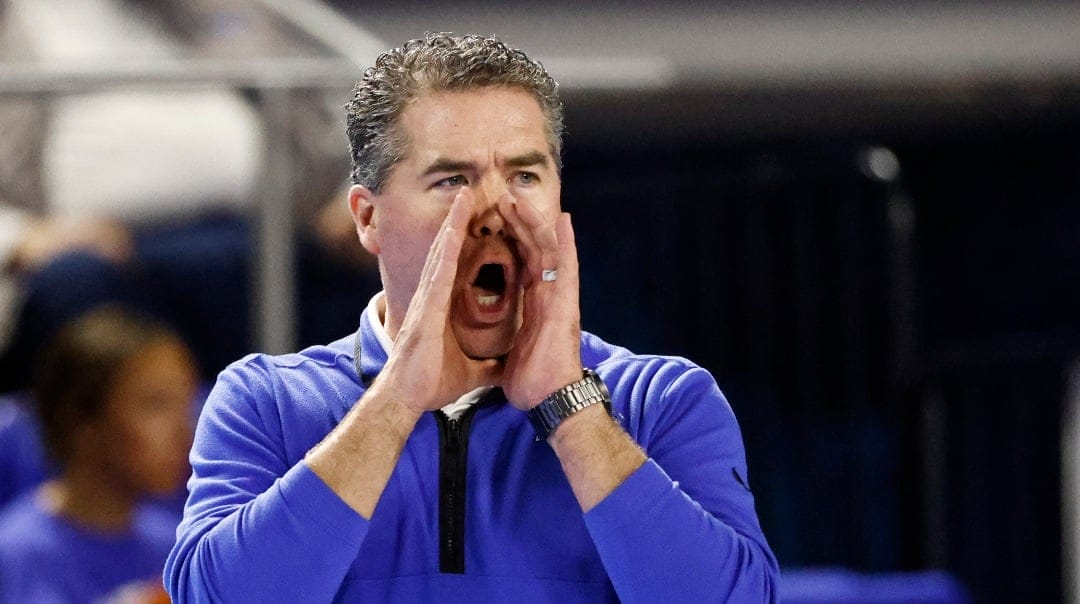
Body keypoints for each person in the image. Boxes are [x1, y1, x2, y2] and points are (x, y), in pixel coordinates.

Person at [166, 33, 777, 602]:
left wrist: (570, 408)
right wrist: (396, 401)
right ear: (367, 218)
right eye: (452, 178)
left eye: (525, 175)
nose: (493, 210)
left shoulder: (661, 400)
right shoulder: (266, 402)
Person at [0, 306, 198, 603]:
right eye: (155, 405)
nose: (184, 431)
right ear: (81, 421)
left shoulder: (177, 547)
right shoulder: (17, 554)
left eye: (185, 404)